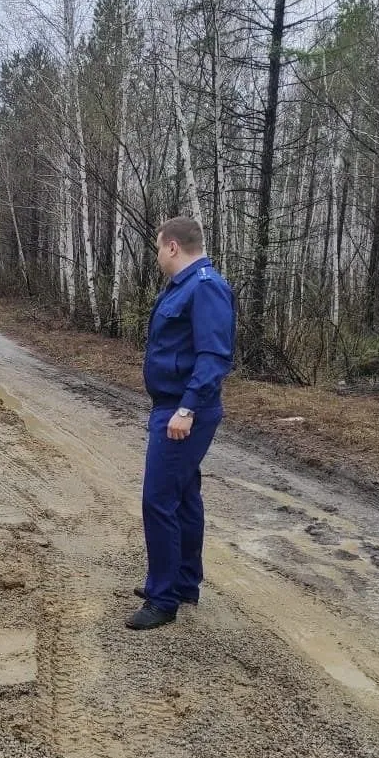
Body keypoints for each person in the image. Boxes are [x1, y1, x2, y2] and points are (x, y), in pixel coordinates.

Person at [126, 216, 236, 631]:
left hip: (182, 411)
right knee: (185, 497)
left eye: (158, 248)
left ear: (172, 246)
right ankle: (183, 582)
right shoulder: (187, 286)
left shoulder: (205, 287)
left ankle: (163, 599)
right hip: (173, 407)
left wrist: (187, 410)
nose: (157, 257)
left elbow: (214, 357)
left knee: (159, 500)